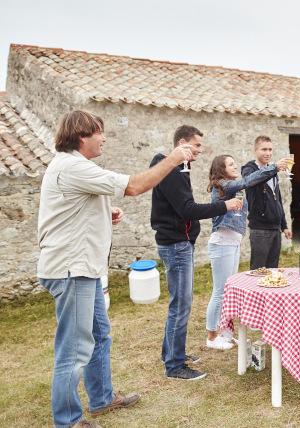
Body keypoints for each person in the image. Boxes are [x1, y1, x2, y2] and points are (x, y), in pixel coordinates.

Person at [38, 110, 194, 427]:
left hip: (85, 268)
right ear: (82, 136)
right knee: (74, 348)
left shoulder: (75, 167)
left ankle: (102, 398)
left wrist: (104, 214)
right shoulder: (72, 165)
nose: (104, 138)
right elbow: (135, 186)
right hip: (72, 270)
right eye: (99, 132)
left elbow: (73, 208)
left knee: (99, 335)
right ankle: (67, 420)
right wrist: (173, 159)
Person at [150, 125, 242, 381]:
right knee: (181, 305)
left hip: (181, 243)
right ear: (182, 143)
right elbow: (187, 209)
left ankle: (171, 353)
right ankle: (175, 365)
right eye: (197, 145)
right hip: (176, 244)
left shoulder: (179, 169)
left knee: (178, 304)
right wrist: (223, 206)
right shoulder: (170, 170)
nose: (200, 151)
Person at [204, 154, 288, 350]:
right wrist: (274, 167)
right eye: (230, 164)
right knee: (219, 291)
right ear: (221, 169)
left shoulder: (233, 187)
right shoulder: (224, 185)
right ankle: (211, 335)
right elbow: (249, 180)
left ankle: (225, 332)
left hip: (232, 243)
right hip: (222, 243)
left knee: (228, 290)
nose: (235, 166)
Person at [241, 136, 292, 269]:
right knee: (258, 271)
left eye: (270, 149)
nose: (268, 153)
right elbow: (251, 180)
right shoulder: (249, 168)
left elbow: (278, 199)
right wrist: (274, 168)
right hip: (260, 229)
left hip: (275, 228)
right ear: (255, 150)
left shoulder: (272, 170)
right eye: (264, 149)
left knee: (273, 270)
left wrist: (284, 225)